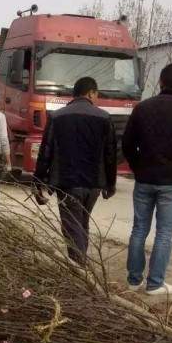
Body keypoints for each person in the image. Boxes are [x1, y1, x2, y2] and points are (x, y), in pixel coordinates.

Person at [122, 62, 172, 296]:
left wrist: (138, 167)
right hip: (171, 181)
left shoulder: (143, 108)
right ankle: (155, 283)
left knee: (139, 229)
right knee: (164, 233)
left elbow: (127, 143)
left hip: (144, 178)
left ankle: (134, 280)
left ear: (160, 82)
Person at [33, 76, 117, 265]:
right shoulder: (104, 118)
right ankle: (81, 266)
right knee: (82, 223)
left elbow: (46, 151)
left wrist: (38, 182)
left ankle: (79, 268)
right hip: (93, 184)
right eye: (96, 94)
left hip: (66, 182)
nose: (96, 98)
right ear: (90, 93)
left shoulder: (57, 117)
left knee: (72, 226)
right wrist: (110, 184)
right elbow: (110, 154)